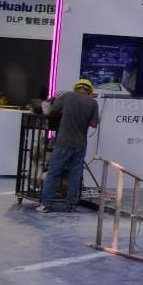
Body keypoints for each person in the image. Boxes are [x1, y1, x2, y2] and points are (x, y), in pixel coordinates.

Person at [38, 79, 100, 212]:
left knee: (53, 172)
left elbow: (52, 112)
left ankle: (46, 204)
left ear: (76, 88)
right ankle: (70, 205)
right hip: (80, 145)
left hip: (63, 142)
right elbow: (94, 124)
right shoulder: (93, 102)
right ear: (89, 90)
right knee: (75, 175)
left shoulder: (67, 96)